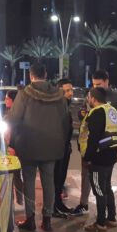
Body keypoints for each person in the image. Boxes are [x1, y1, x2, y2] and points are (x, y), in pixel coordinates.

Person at [6, 62, 70, 232]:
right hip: (52, 146)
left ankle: (30, 219)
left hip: (28, 146)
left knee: (29, 182)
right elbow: (65, 121)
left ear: (31, 75)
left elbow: (13, 119)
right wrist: (61, 140)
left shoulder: (25, 94)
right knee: (49, 183)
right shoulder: (59, 95)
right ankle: (47, 219)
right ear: (46, 74)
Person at [72, 70, 117, 216]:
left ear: (107, 82)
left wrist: (113, 132)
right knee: (86, 176)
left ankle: (104, 218)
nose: (96, 87)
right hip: (89, 145)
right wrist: (82, 114)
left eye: (99, 84)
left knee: (103, 183)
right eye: (94, 84)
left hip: (106, 148)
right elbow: (83, 112)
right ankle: (84, 204)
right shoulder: (90, 95)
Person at [79, 87, 117, 232]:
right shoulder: (111, 110)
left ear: (93, 98)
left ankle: (100, 223)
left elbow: (93, 139)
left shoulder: (96, 112)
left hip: (99, 158)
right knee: (107, 187)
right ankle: (111, 218)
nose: (88, 99)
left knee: (99, 190)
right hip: (111, 154)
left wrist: (88, 158)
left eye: (89, 97)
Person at [53, 78, 75, 218]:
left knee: (60, 180)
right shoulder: (57, 107)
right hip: (58, 151)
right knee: (56, 180)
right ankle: (55, 207)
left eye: (71, 90)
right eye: (66, 91)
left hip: (64, 149)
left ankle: (59, 204)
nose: (70, 93)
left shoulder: (66, 105)